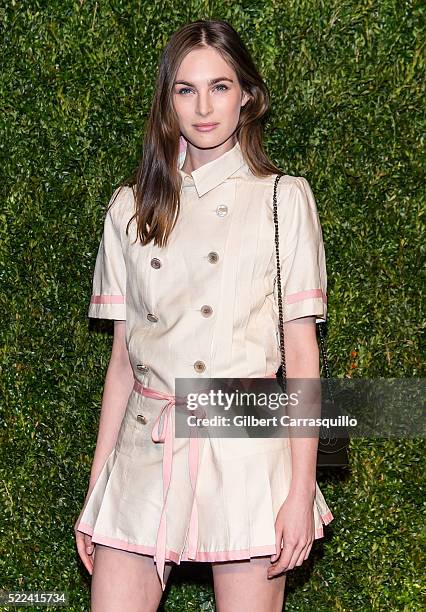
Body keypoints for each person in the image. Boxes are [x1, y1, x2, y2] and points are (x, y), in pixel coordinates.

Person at [74, 18, 334, 612]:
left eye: (220, 86)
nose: (204, 107)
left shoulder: (281, 200)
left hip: (245, 449)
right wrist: (97, 491)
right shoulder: (130, 207)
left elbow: (301, 358)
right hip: (143, 452)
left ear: (247, 94)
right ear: (168, 101)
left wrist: (300, 491)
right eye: (186, 89)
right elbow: (122, 363)